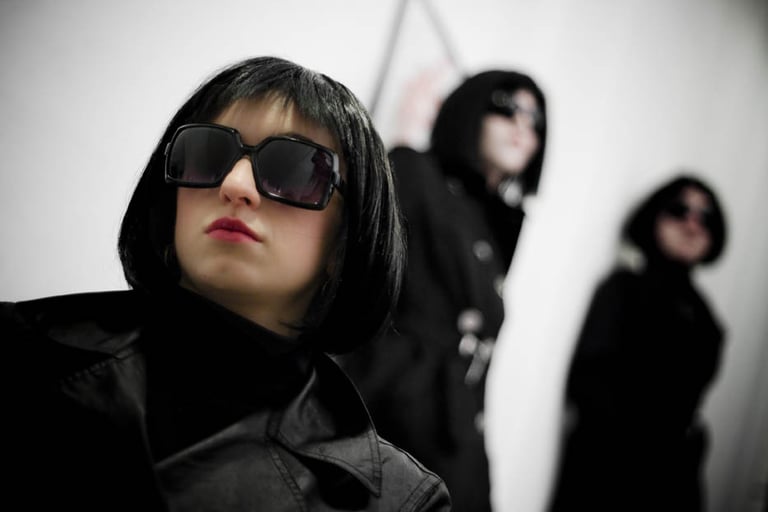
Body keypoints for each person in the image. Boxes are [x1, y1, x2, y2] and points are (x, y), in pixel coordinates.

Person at [4, 56, 452, 511]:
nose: (236, 185)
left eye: (294, 169)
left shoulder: (399, 501)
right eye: (207, 154)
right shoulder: (18, 350)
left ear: (344, 242)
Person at [340, 69, 548, 511]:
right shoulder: (416, 171)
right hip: (391, 416)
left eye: (535, 121)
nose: (522, 127)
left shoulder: (497, 225)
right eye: (507, 108)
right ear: (469, 108)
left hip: (455, 433)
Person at [547, 174, 728, 512]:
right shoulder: (623, 290)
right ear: (654, 216)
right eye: (679, 210)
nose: (692, 224)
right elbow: (589, 386)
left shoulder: (706, 318)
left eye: (705, 217)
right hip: (611, 476)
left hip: (674, 481)